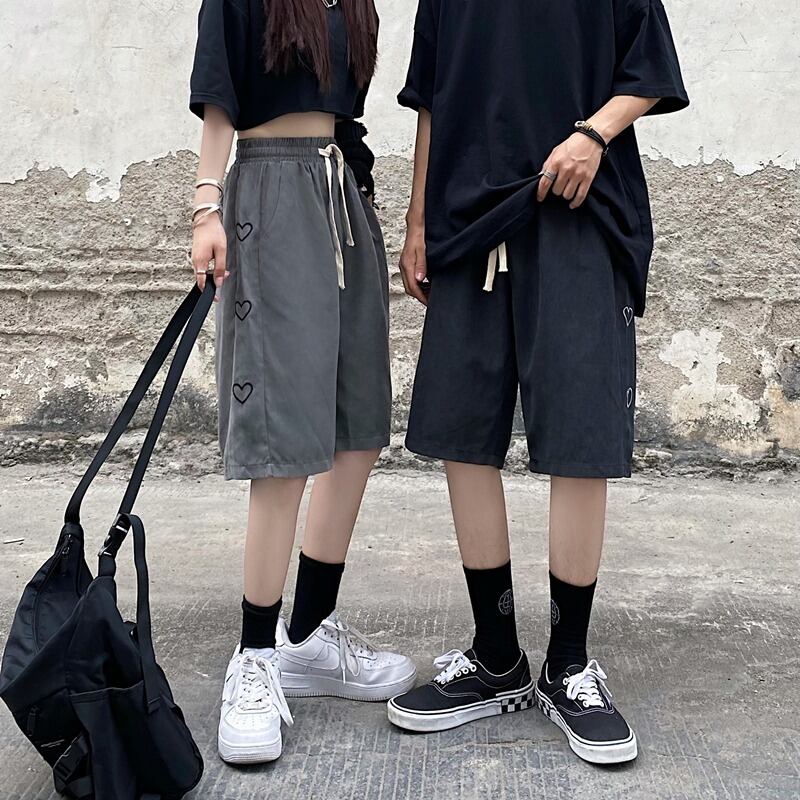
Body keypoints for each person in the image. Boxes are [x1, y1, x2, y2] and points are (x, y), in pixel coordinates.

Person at [388, 0, 689, 765]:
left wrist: (594, 133)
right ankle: (496, 660)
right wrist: (419, 218)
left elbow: (649, 68)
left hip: (580, 212)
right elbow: (431, 97)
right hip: (467, 216)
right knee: (461, 432)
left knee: (581, 436)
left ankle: (569, 665)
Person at [189, 0, 416, 765]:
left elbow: (344, 113)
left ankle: (309, 638)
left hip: (340, 196)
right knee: (283, 440)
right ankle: (254, 658)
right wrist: (206, 207)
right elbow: (219, 97)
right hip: (269, 193)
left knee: (359, 427)